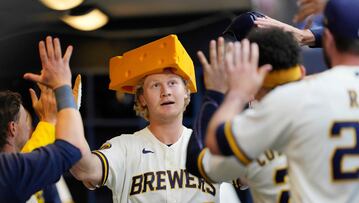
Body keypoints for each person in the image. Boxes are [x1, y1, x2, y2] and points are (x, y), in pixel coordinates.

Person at [205, 0, 359, 202]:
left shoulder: (295, 99)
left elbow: (215, 148)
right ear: (300, 69)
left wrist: (224, 93)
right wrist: (327, 23)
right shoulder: (308, 92)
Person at [70, 34, 220, 202]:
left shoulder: (210, 144)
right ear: (142, 98)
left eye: (172, 83)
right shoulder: (124, 147)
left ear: (186, 91)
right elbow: (84, 170)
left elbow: (247, 175)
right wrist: (67, 114)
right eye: (155, 85)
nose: (166, 91)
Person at [187, 26, 305, 203]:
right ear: (302, 72)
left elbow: (197, 163)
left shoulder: (249, 130)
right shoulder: (331, 103)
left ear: (254, 84)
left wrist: (216, 93)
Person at [0, 36, 86, 202]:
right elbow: (72, 149)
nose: (33, 127)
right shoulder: (10, 171)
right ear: (13, 128)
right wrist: (62, 89)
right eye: (27, 121)